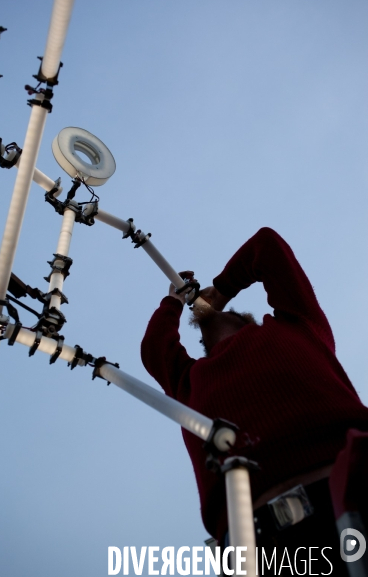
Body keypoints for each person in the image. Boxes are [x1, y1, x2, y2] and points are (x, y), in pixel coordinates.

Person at [141, 227, 368, 574]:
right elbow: (155, 347)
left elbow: (267, 246)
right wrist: (171, 302)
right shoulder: (190, 380)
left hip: (352, 490)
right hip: (257, 545)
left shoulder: (297, 326)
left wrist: (223, 288)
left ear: (244, 317)